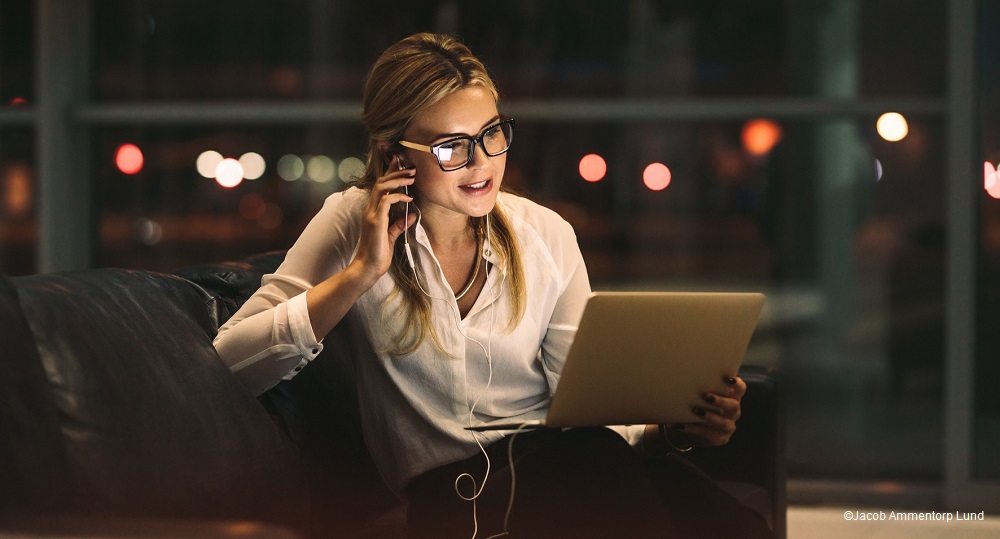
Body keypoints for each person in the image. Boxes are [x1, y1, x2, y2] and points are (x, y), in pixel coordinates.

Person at [214, 32, 775, 539]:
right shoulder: (349, 221)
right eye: (450, 146)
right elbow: (231, 364)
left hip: (570, 461)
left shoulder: (545, 234)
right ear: (393, 155)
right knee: (598, 468)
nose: (480, 163)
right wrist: (360, 274)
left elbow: (584, 408)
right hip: (458, 494)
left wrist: (671, 430)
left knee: (733, 522)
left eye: (490, 135)